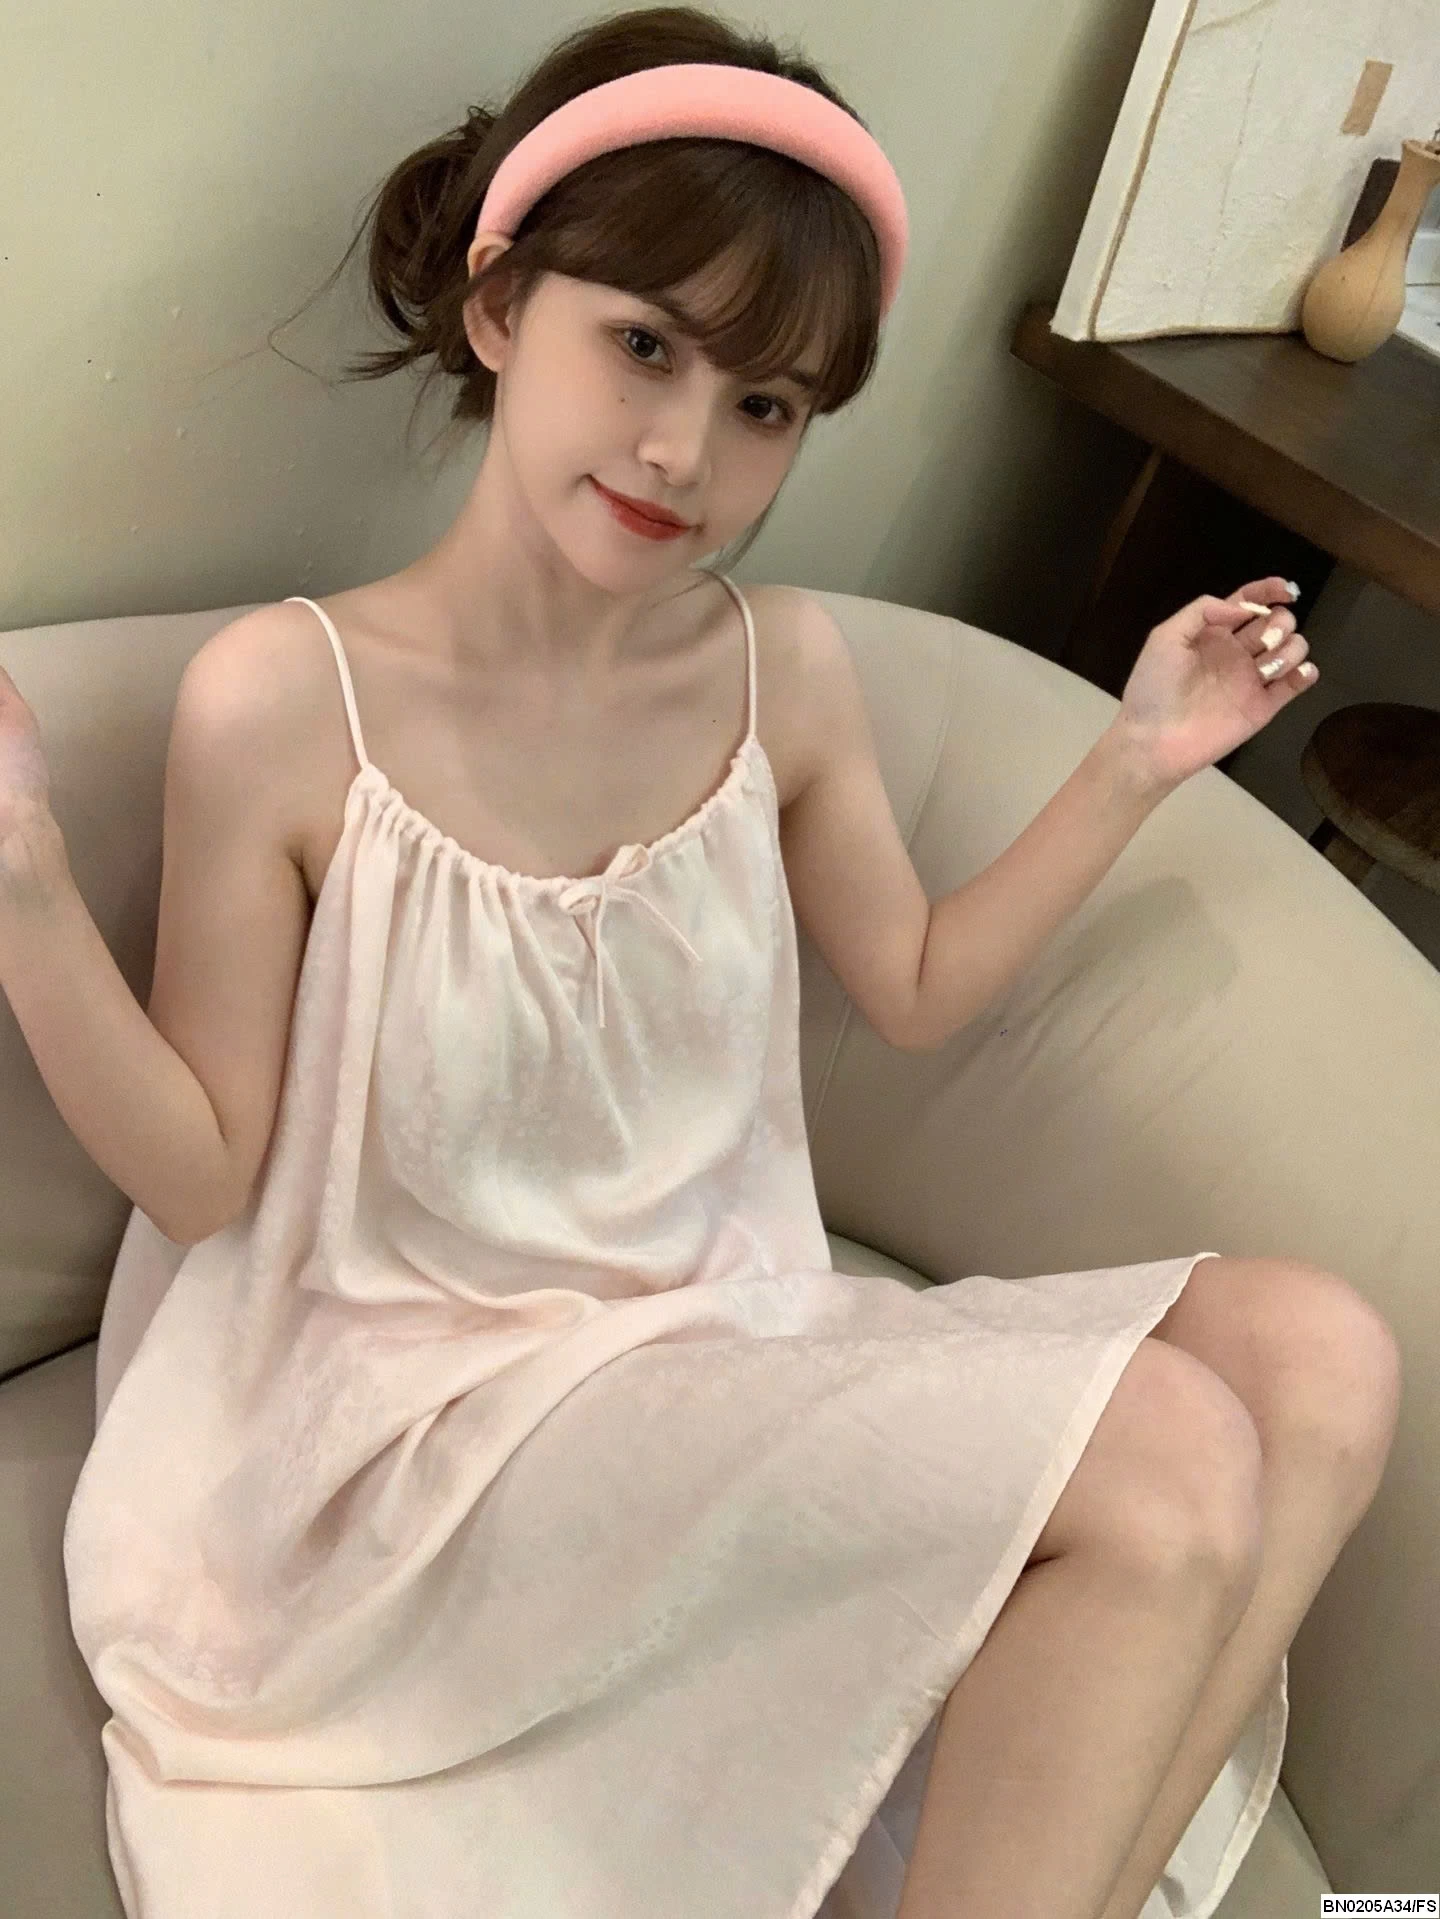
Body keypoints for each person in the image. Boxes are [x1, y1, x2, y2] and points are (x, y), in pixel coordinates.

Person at [0, 7, 1400, 1918]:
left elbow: (915, 985)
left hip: (716, 1351)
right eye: (645, 345)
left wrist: (1138, 758)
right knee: (1164, 1460)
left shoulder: (780, 669)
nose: (688, 449)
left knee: (1318, 1356)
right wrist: (26, 887)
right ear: (503, 302)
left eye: (768, 405)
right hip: (417, 1444)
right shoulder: (286, 701)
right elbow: (204, 1172)